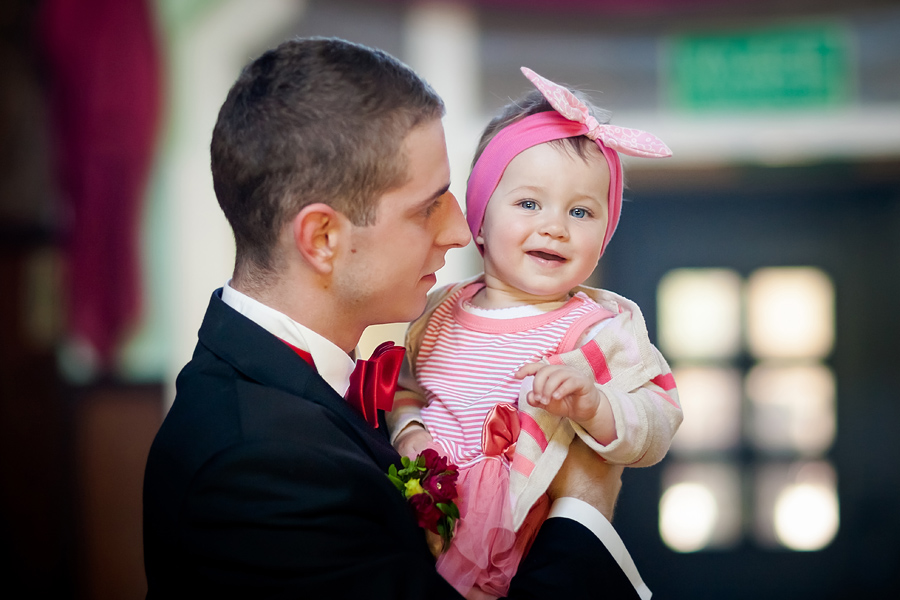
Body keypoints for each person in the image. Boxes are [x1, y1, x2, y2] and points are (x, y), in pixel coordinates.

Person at [143, 38, 646, 599]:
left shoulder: (319, 391)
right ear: (323, 238)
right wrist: (585, 505)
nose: (460, 231)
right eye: (428, 206)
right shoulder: (259, 468)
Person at [387, 68, 683, 599]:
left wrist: (594, 405)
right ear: (478, 218)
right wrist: (410, 433)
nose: (555, 226)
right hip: (425, 533)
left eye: (581, 211)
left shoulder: (600, 330)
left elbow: (660, 421)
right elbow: (405, 391)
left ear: (602, 239)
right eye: (529, 203)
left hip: (526, 551)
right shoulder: (437, 312)